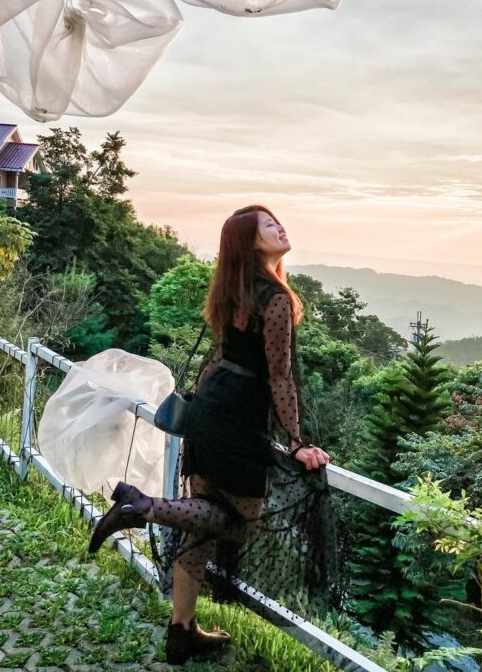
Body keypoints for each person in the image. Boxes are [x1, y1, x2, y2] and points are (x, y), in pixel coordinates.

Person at [88, 205, 335, 665]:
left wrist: (206, 409)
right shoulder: (275, 297)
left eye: (276, 221)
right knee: (238, 523)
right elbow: (279, 376)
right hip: (238, 414)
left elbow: (220, 355)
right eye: (268, 225)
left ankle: (182, 631)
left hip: (209, 405)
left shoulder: (231, 290)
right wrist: (297, 441)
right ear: (250, 241)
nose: (279, 227)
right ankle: (142, 506)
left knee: (199, 525)